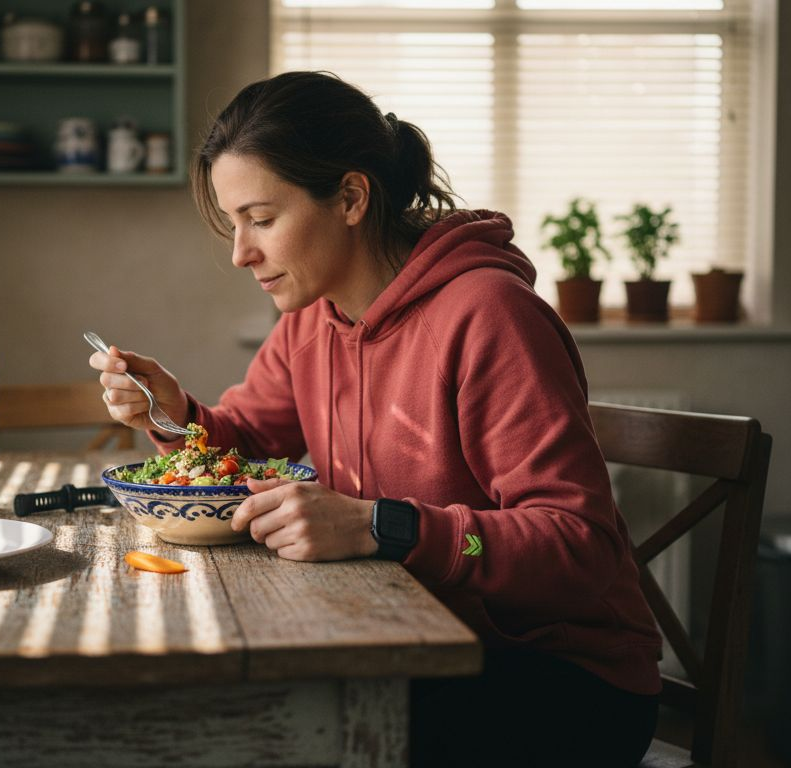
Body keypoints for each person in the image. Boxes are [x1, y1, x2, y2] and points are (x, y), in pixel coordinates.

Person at [89, 71, 661, 766]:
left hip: (560, 683)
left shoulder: (489, 317)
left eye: (262, 220)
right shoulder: (313, 319)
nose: (241, 253)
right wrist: (174, 414)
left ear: (351, 198)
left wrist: (383, 525)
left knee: (257, 730)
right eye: (232, 224)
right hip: (406, 636)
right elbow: (242, 442)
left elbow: (577, 549)